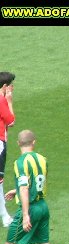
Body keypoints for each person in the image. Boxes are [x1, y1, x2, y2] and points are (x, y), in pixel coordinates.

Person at [0, 130, 63, 244]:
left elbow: (25, 187)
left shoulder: (20, 163)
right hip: (43, 206)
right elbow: (36, 181)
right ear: (34, 142)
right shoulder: (43, 160)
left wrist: (26, 214)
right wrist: (17, 191)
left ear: (18, 143)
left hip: (30, 208)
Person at [0, 72, 16, 228]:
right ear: (4, 86)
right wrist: (9, 101)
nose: (12, 88)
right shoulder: (1, 100)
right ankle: (5, 217)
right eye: (11, 85)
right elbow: (11, 121)